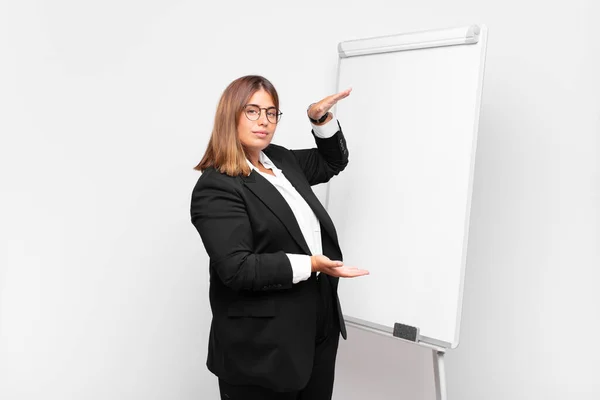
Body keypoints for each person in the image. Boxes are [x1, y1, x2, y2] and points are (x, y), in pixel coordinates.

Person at [190, 75, 369, 400]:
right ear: (230, 115)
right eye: (253, 111)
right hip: (261, 347)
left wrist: (320, 120)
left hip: (316, 327)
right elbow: (237, 268)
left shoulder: (282, 159)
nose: (264, 121)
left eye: (272, 113)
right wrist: (311, 264)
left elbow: (333, 161)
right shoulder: (216, 186)